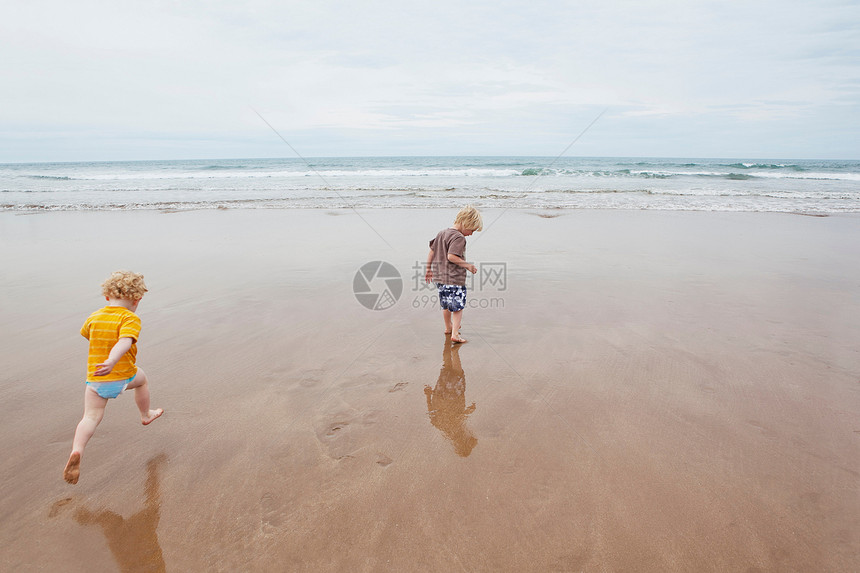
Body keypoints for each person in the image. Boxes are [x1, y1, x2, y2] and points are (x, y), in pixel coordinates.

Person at [63, 271, 163, 485]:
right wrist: (111, 360)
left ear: (107, 297)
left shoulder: (95, 316)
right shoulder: (130, 318)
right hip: (121, 376)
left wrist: (103, 355)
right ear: (137, 300)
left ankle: (77, 450)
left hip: (95, 381)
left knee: (90, 417)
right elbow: (125, 341)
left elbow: (87, 334)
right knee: (142, 380)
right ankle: (146, 414)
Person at [424, 206, 482, 343]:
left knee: (446, 305)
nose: (471, 234)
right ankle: (455, 334)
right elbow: (451, 256)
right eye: (472, 230)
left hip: (440, 278)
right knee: (457, 307)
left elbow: (431, 251)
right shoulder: (459, 237)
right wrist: (468, 266)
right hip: (454, 279)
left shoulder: (442, 233)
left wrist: (428, 269)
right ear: (466, 222)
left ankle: (448, 327)